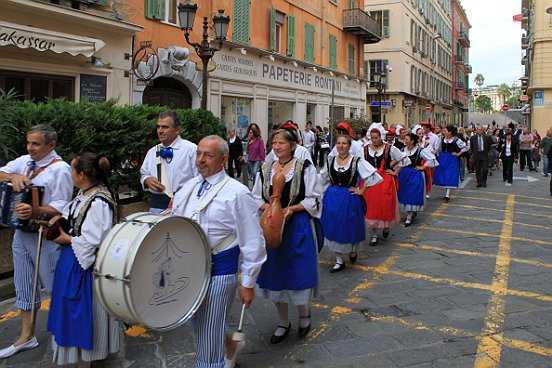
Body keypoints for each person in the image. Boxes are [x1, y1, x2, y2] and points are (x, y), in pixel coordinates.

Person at [171, 135, 267, 368]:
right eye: (199, 154)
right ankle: (230, 343)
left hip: (220, 271)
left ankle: (212, 361)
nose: (200, 159)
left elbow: (253, 241)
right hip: (191, 268)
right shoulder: (189, 187)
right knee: (195, 321)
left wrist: (248, 283)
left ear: (223, 159)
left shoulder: (237, 193)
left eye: (208, 155)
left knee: (208, 337)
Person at [0, 124, 73, 359]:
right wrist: (13, 175)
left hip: (46, 236)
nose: (30, 148)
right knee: (23, 283)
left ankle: (64, 337)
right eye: (29, 142)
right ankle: (26, 336)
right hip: (21, 234)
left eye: (36, 144)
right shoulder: (23, 162)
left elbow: (62, 205)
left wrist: (35, 209)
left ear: (51, 145)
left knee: (54, 287)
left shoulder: (60, 169)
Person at [47, 153, 119, 367]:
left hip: (83, 266)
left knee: (80, 310)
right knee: (71, 308)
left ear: (81, 175)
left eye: (72, 171)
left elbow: (94, 240)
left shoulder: (98, 202)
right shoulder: (84, 194)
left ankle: (85, 360)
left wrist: (66, 238)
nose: (70, 175)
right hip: (72, 260)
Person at [252, 127, 321, 344]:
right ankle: (283, 322)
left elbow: (313, 197)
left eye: (281, 143)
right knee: (274, 274)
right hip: (271, 227)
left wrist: (291, 209)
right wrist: (269, 207)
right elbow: (253, 197)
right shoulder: (264, 169)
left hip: (296, 227)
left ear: (293, 146)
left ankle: (303, 315)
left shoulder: (304, 167)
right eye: (274, 143)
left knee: (298, 272)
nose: (277, 147)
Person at [318, 135, 382, 273]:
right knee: (333, 225)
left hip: (349, 198)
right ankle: (339, 259)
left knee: (348, 226)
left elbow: (374, 176)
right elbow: (321, 179)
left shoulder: (356, 161)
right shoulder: (330, 161)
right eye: (339, 143)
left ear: (349, 145)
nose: (341, 146)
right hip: (333, 198)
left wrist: (362, 190)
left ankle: (352, 251)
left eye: (344, 143)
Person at [140, 110, 198, 213]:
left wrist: (183, 197)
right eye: (158, 127)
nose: (160, 130)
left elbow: (200, 180)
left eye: (165, 127)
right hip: (156, 206)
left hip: (184, 206)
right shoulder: (152, 152)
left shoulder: (191, 150)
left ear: (177, 129)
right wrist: (146, 180)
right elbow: (144, 174)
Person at [362, 123, 410, 246]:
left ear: (381, 136)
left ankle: (385, 226)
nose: (374, 140)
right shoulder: (365, 148)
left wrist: (395, 172)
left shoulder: (390, 148)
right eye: (372, 138)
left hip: (385, 180)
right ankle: (373, 234)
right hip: (371, 180)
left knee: (384, 205)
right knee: (371, 207)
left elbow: (404, 159)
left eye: (376, 137)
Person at [397, 133, 438, 226]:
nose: (405, 141)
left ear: (412, 141)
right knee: (404, 194)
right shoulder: (402, 150)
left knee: (413, 194)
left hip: (415, 174)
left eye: (407, 139)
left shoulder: (420, 150)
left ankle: (409, 215)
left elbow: (432, 158)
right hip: (404, 174)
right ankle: (410, 212)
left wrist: (423, 166)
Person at [433, 125, 469, 201]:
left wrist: (458, 154)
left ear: (450, 132)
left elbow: (466, 147)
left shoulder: (456, 140)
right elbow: (436, 149)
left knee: (450, 174)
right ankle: (446, 191)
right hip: (443, 158)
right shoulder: (442, 138)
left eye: (445, 131)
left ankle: (447, 194)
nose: (443, 132)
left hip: (451, 158)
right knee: (443, 174)